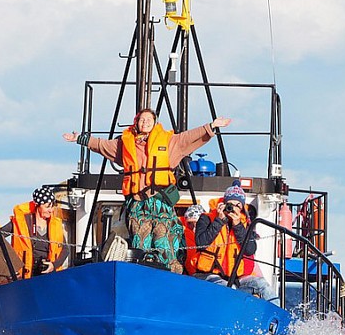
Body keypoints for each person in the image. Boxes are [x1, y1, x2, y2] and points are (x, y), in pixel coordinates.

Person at [64, 109, 231, 273]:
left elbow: (189, 137)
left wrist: (211, 126)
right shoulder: (124, 144)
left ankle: (167, 277)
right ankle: (142, 276)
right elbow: (101, 145)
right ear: (136, 123)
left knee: (164, 243)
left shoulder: (169, 142)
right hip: (137, 204)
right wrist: (80, 138)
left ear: (155, 122)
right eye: (142, 119)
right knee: (140, 244)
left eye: (149, 119)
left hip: (161, 203)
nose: (145, 122)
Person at [193, 180, 274, 300]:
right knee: (227, 289)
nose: (233, 209)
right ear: (224, 203)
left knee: (263, 286)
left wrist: (238, 226)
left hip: (236, 277)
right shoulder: (207, 219)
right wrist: (219, 221)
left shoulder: (245, 224)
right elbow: (201, 243)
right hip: (208, 275)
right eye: (230, 205)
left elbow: (250, 250)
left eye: (238, 206)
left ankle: (278, 317)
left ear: (242, 208)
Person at [9, 185, 69, 279]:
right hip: (24, 276)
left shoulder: (55, 225)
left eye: (52, 206)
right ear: (38, 205)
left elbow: (65, 250)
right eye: (47, 207)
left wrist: (54, 265)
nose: (51, 210)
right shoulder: (23, 221)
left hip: (48, 275)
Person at [180, 203, 205, 275]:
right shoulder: (183, 235)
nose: (194, 227)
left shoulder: (210, 235)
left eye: (197, 223)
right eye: (190, 223)